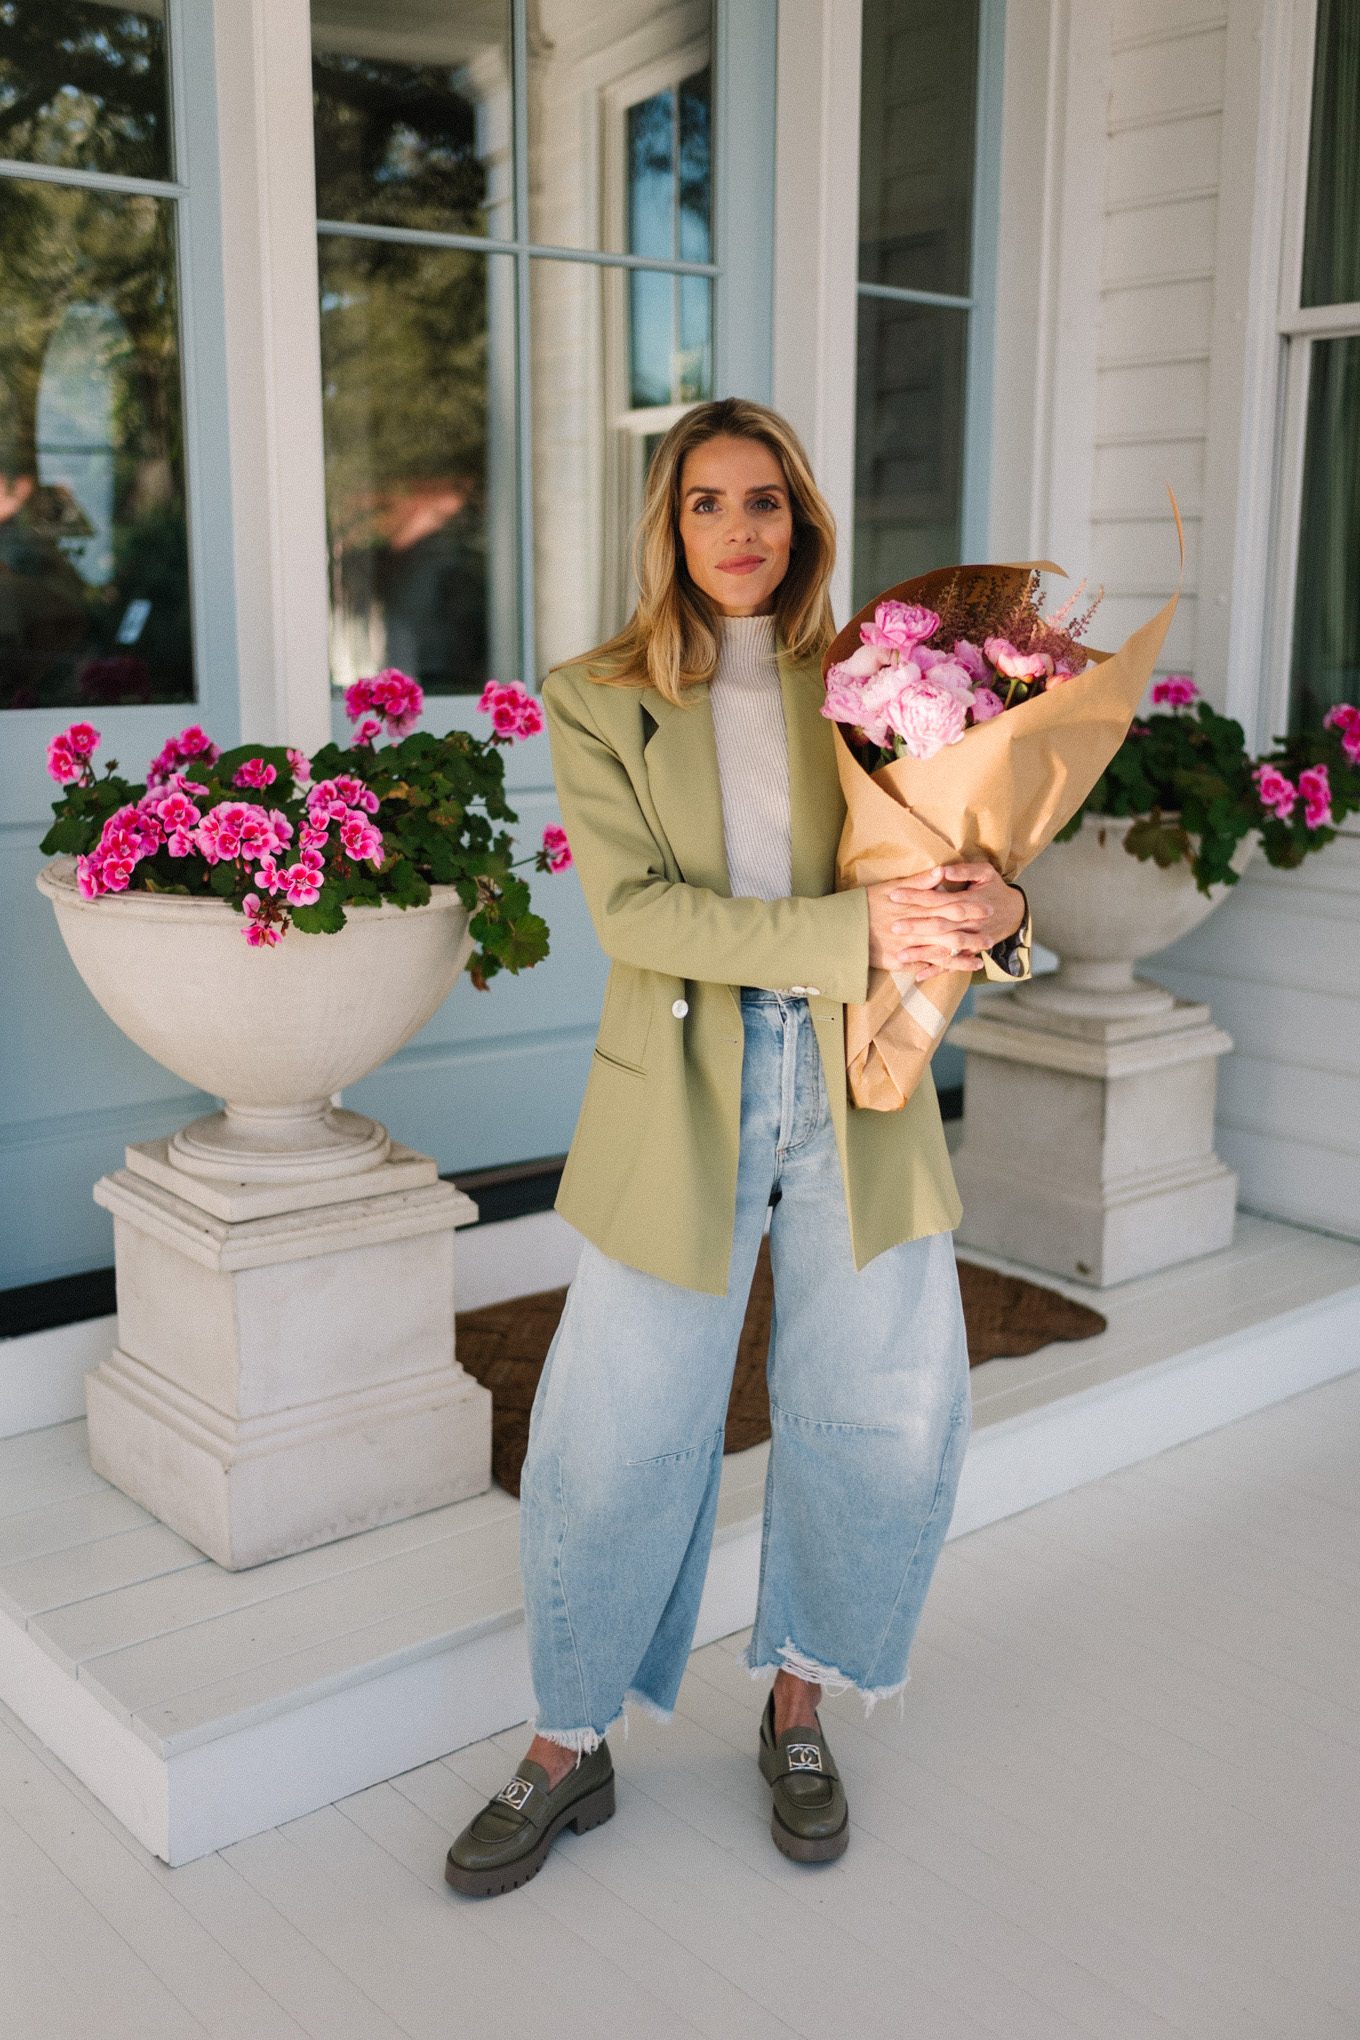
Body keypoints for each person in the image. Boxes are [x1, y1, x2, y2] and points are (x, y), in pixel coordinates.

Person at [444, 397, 1031, 1898]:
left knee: (875, 1406)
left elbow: (954, 870)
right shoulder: (598, 696)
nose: (740, 530)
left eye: (765, 501)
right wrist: (856, 933)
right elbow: (638, 916)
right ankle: (568, 1740)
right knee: (613, 1424)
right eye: (706, 503)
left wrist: (1002, 920)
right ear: (669, 526)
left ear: (805, 520)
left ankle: (799, 1698)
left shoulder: (882, 684)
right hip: (688, 1088)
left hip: (863, 1086)